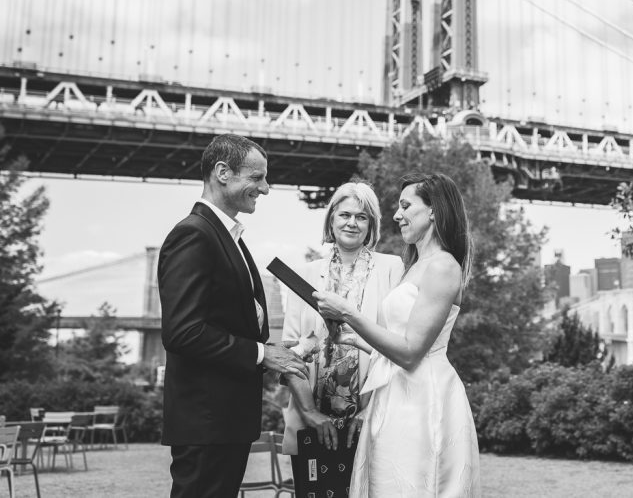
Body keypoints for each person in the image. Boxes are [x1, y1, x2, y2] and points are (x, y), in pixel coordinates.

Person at [315, 172, 482, 497]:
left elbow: (410, 351)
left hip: (422, 399)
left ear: (433, 210)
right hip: (394, 393)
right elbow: (397, 341)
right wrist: (352, 337)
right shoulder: (416, 266)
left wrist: (348, 312)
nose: (396, 214)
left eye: (406, 205)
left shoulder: (443, 267)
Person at [158, 134, 306, 498]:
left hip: (224, 422)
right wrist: (261, 354)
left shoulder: (227, 236)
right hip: (206, 424)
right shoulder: (193, 235)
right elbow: (182, 332)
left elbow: (225, 320)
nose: (266, 188)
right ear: (222, 172)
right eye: (256, 178)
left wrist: (270, 347)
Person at [279, 181, 404, 492]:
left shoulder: (392, 268)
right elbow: (289, 351)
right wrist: (309, 412)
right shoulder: (305, 274)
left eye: (362, 217)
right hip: (313, 419)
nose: (352, 223)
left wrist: (369, 410)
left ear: (372, 224)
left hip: (371, 415)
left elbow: (396, 349)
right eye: (345, 214)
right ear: (331, 218)